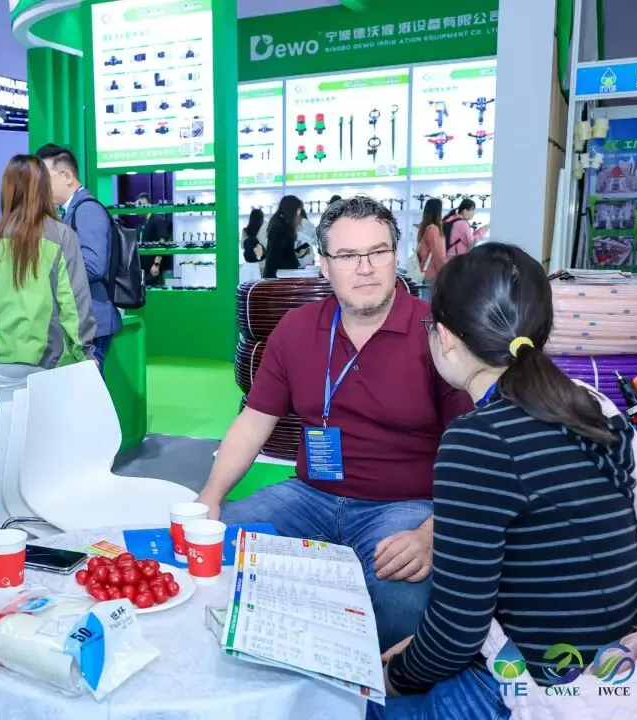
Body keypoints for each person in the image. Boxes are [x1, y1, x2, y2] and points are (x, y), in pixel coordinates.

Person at [376, 243, 637, 718]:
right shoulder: (592, 410)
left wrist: (393, 678)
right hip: (614, 674)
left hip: (530, 690)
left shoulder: (478, 440)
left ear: (445, 337)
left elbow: (457, 632)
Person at [197, 196, 472, 652]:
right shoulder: (296, 329)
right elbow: (253, 422)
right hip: (309, 496)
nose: (365, 268)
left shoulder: (436, 333)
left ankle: (379, 689)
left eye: (378, 251)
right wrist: (210, 497)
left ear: (396, 256)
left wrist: (431, 533)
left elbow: (474, 455)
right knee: (212, 544)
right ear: (323, 266)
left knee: (403, 598)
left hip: (404, 505)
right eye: (347, 255)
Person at [0, 155, 96, 405]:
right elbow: (74, 303)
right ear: (43, 188)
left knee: (11, 426)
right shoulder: (62, 235)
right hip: (50, 357)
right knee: (51, 429)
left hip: (3, 356)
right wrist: (85, 353)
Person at [36, 143, 120, 369]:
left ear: (67, 176)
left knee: (89, 388)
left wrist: (52, 274)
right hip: (88, 317)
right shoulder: (73, 210)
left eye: (45, 178)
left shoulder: (86, 209)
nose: (40, 186)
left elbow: (93, 265)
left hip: (92, 319)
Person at [262, 195, 305, 278]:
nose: (299, 215)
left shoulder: (281, 224)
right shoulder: (280, 228)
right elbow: (273, 257)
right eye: (298, 211)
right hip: (281, 277)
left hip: (283, 275)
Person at [137, 192, 171, 287]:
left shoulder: (157, 220)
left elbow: (162, 242)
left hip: (154, 270)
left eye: (141, 205)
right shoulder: (143, 224)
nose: (139, 208)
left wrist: (156, 264)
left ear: (149, 205)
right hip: (144, 269)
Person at [415, 198, 446, 290]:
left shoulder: (425, 227)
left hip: (425, 271)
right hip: (433, 273)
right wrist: (444, 273)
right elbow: (438, 254)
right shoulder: (433, 229)